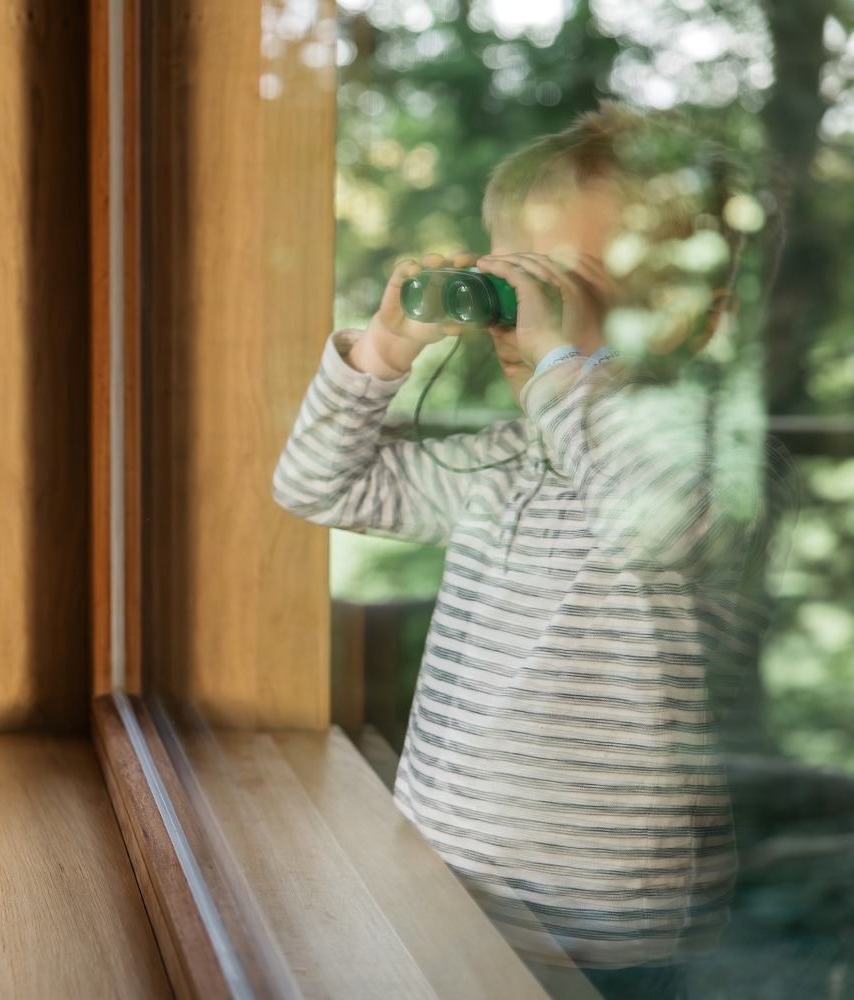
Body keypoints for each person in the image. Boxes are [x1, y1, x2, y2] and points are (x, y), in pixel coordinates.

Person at [274, 104, 795, 999]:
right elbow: (320, 486)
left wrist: (561, 369)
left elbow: (657, 518)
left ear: (696, 319)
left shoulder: (718, 463)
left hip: (608, 920)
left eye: (575, 279)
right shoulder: (507, 462)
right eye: (518, 276)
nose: (530, 309)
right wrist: (385, 348)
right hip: (445, 878)